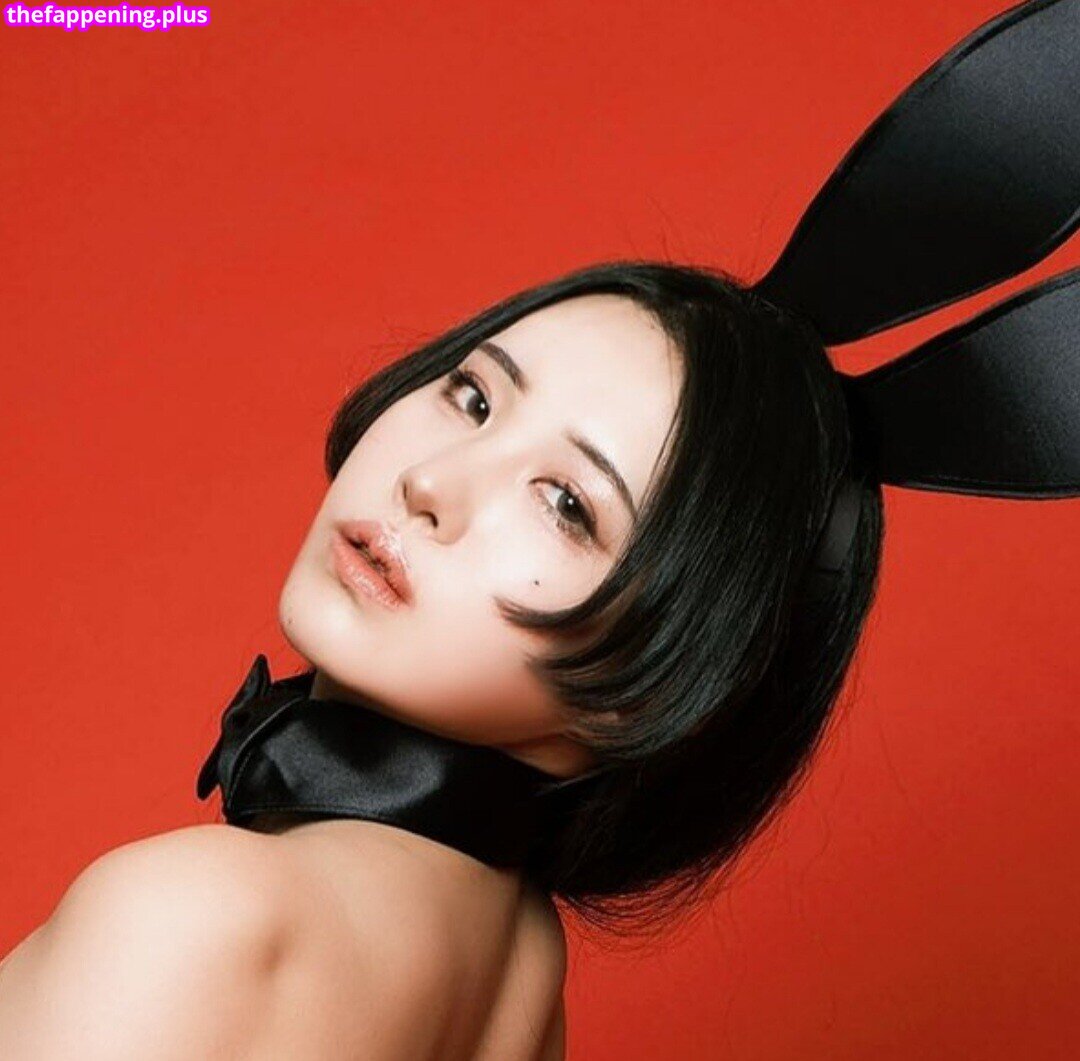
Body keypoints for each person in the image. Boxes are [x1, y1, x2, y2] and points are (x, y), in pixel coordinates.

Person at [1, 1, 1077, 1058]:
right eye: (474, 396)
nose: (432, 481)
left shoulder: (191, 918)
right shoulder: (518, 974)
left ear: (673, 678)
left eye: (567, 503)